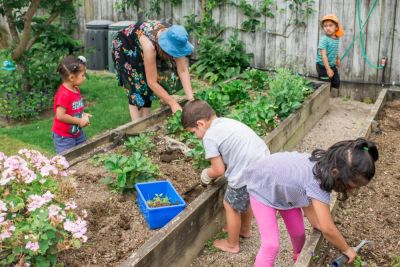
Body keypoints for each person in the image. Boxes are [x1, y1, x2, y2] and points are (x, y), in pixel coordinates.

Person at [244, 138, 379, 267]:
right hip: (262, 188)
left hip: (285, 192)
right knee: (271, 245)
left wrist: (321, 225)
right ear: (336, 172)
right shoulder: (317, 182)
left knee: (298, 234)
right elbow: (327, 228)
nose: (354, 189)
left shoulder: (324, 168)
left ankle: (299, 257)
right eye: (353, 185)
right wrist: (346, 249)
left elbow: (315, 217)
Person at [181, 100, 270, 253]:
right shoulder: (226, 122)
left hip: (246, 171)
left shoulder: (209, 137)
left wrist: (206, 174)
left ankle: (232, 244)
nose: (195, 136)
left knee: (231, 205)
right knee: (247, 198)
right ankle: (244, 229)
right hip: (263, 162)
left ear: (200, 124)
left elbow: (218, 170)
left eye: (193, 132)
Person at [112, 20, 194, 122]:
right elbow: (152, 82)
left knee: (148, 88)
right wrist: (173, 103)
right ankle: (137, 125)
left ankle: (146, 121)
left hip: (145, 43)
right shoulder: (149, 46)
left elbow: (182, 70)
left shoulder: (177, 38)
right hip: (127, 45)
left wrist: (191, 100)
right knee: (136, 87)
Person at [51, 55, 91, 154]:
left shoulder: (75, 89)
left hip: (77, 132)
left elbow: (73, 109)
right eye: (83, 75)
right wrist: (79, 121)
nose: (85, 77)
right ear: (72, 77)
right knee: (67, 159)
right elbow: (60, 116)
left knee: (83, 153)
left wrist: (83, 114)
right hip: (64, 137)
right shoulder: (64, 94)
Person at [316, 14, 344, 90]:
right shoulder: (324, 40)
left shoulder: (336, 38)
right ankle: (321, 96)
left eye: (330, 25)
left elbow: (335, 49)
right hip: (322, 66)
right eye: (325, 26)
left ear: (336, 27)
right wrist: (328, 69)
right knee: (325, 86)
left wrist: (337, 58)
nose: (328, 28)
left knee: (336, 82)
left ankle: (326, 94)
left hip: (331, 64)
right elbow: (323, 55)